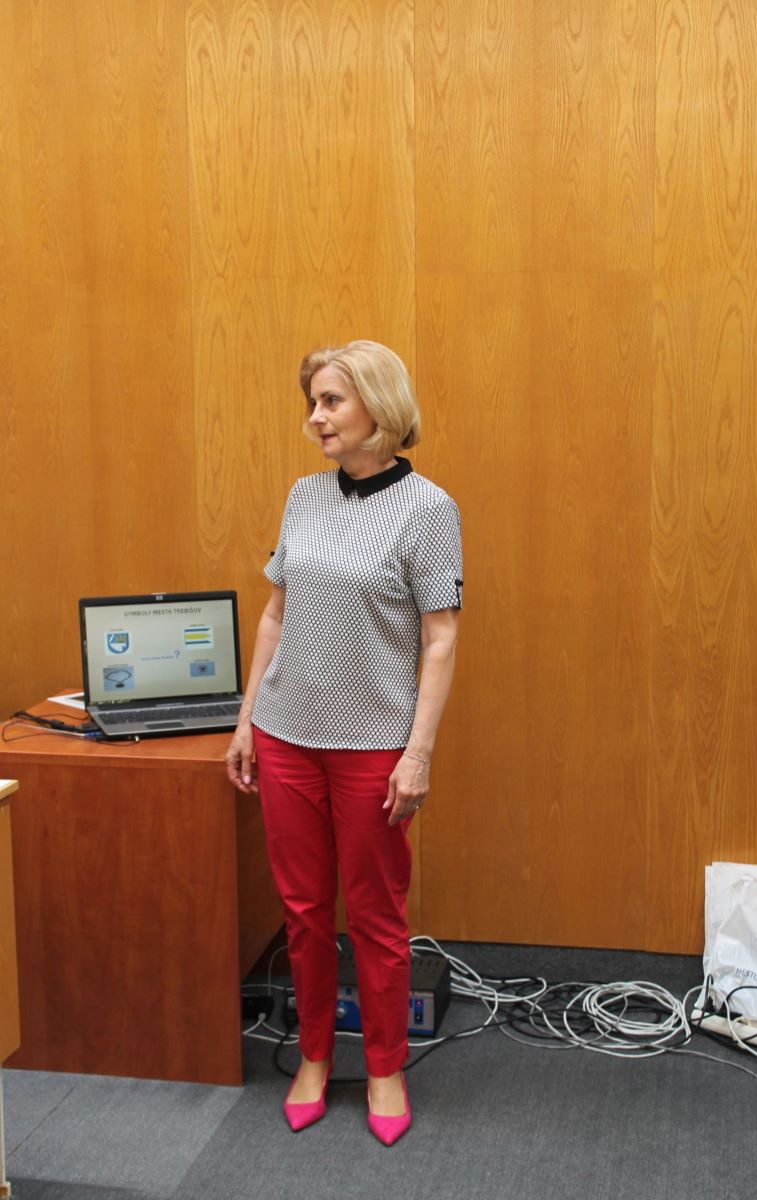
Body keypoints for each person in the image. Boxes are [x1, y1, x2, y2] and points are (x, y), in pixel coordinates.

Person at [225, 339, 462, 1146]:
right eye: (313, 403)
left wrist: (417, 753)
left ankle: (386, 1066)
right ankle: (316, 1058)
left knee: (374, 916)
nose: (315, 418)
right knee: (301, 911)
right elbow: (276, 614)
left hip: (372, 748)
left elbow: (439, 639)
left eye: (331, 401)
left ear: (378, 406)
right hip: (286, 736)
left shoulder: (429, 508)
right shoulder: (303, 497)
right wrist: (246, 720)